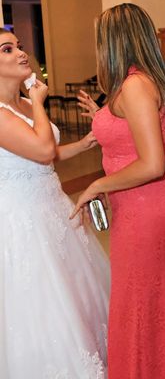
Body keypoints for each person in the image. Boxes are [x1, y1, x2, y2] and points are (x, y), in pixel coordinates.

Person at [71, 4, 165, 379]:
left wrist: (96, 184)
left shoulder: (136, 86)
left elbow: (152, 163)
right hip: (140, 203)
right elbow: (132, 134)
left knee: (141, 297)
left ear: (113, 41)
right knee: (146, 294)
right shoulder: (135, 82)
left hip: (147, 204)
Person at [0, 28, 110, 377]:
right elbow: (43, 149)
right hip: (24, 220)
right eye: (7, 49)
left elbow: (45, 155)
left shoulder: (19, 103)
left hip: (54, 208)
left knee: (79, 296)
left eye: (18, 46)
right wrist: (37, 100)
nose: (21, 53)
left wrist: (85, 143)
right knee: (46, 303)